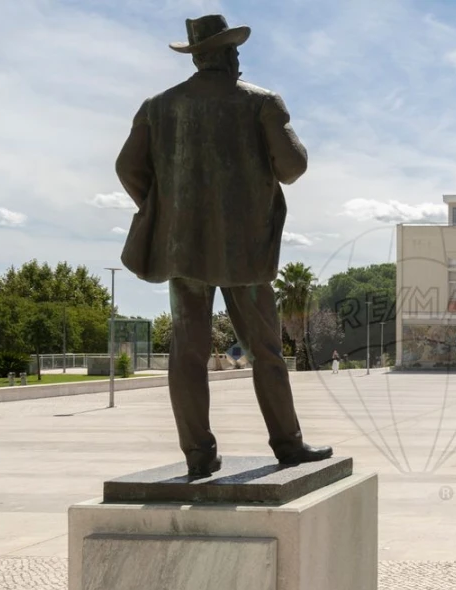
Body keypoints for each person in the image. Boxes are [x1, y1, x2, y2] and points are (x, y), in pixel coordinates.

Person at [115, 14, 331, 476]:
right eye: (233, 49)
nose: (237, 58)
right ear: (222, 54)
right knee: (266, 350)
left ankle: (198, 454)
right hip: (246, 251)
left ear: (198, 57)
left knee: (187, 353)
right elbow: (291, 167)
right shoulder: (260, 102)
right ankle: (288, 445)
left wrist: (165, 210)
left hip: (182, 250)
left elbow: (128, 169)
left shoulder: (158, 107)